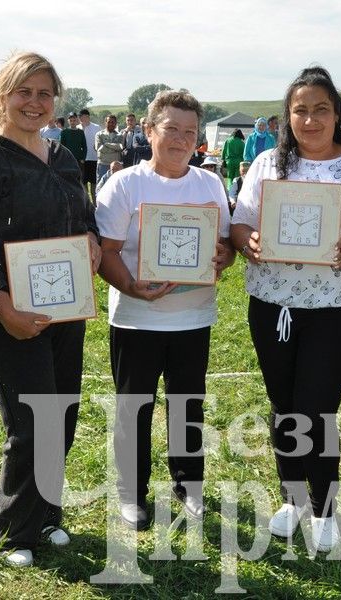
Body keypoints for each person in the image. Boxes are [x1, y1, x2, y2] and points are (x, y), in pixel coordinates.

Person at [230, 66, 341, 552]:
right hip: (272, 306)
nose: (310, 119)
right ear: (287, 116)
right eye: (300, 110)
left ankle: (323, 507)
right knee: (283, 405)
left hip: (334, 309)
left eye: (320, 109)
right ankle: (292, 497)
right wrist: (251, 241)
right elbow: (240, 224)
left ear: (337, 114)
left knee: (316, 408)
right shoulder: (267, 163)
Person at [0, 51, 101, 568]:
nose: (35, 103)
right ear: (2, 96)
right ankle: (14, 529)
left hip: (66, 308)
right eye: (24, 92)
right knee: (31, 420)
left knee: (64, 414)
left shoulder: (61, 157)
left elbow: (83, 217)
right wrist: (5, 305)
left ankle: (47, 513)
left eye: (44, 93)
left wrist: (93, 242)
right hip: (10, 312)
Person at [96, 88, 234, 530]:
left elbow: (226, 246)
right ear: (150, 130)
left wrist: (222, 257)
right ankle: (131, 495)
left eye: (189, 132)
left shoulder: (210, 182)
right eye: (171, 129)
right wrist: (133, 288)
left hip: (194, 318)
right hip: (136, 318)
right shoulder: (124, 184)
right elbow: (107, 252)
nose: (180, 139)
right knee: (134, 406)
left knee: (187, 405)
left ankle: (188, 487)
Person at [78, 108, 101, 200]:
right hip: (82, 160)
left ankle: (95, 204)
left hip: (94, 159)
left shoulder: (96, 127)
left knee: (94, 183)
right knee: (83, 183)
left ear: (87, 117)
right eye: (79, 117)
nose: (80, 118)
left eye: (81, 116)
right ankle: (86, 203)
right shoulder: (77, 128)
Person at [95, 114, 123, 183]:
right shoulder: (99, 134)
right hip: (103, 164)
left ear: (116, 124)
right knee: (101, 186)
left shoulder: (120, 135)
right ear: (105, 123)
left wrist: (106, 144)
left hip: (116, 166)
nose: (111, 124)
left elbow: (120, 147)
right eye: (109, 122)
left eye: (113, 122)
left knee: (116, 185)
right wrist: (115, 148)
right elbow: (99, 148)